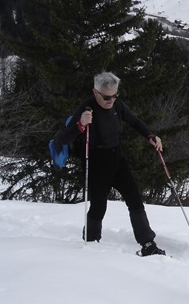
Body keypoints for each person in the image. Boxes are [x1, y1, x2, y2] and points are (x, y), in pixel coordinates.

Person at [53, 71, 166, 257]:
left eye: (115, 95)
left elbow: (134, 120)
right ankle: (90, 241)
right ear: (95, 92)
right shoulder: (86, 109)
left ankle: (148, 243)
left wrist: (150, 136)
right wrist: (80, 125)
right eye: (107, 97)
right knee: (99, 206)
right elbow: (63, 138)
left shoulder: (117, 105)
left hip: (117, 159)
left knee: (135, 199)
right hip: (96, 163)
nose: (111, 100)